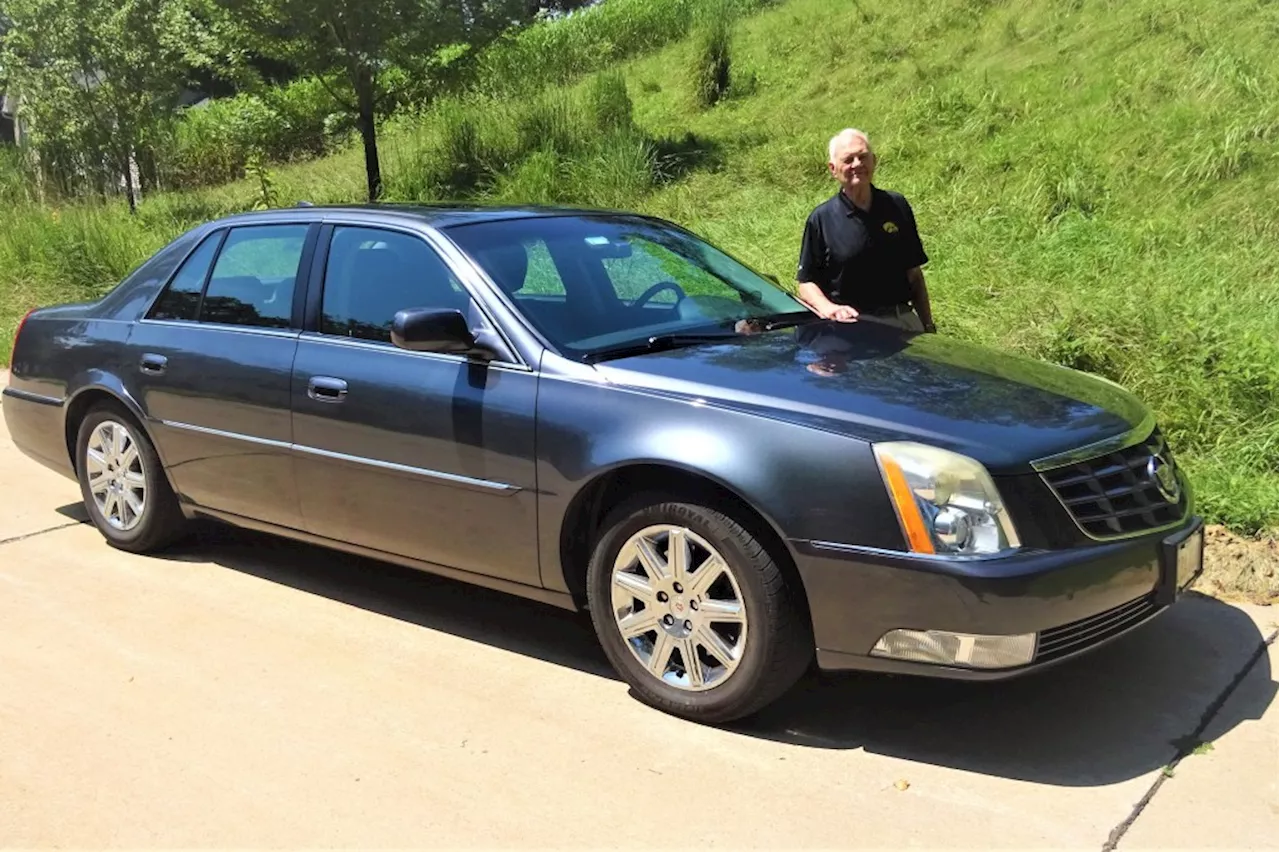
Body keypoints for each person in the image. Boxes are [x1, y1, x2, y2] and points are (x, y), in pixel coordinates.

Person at [795, 128, 936, 333]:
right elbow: (806, 283)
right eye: (848, 159)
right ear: (833, 169)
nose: (857, 164)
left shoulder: (896, 205)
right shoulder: (822, 219)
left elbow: (914, 274)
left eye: (863, 157)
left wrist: (928, 325)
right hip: (849, 327)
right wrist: (829, 308)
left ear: (874, 161)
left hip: (900, 321)